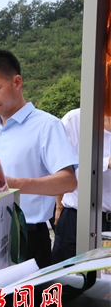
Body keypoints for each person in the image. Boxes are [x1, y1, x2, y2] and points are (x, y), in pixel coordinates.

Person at [0, 49, 77, 268]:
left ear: (17, 82)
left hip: (28, 237)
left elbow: (68, 181)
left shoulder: (46, 126)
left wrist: (16, 184)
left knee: (30, 292)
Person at [52, 109, 111, 263]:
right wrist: (59, 206)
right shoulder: (75, 120)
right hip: (78, 219)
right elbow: (60, 167)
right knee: (66, 272)